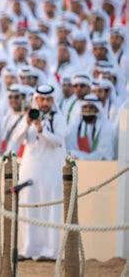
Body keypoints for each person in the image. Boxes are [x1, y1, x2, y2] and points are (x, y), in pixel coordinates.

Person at [13, 84, 67, 261]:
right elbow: (18, 139)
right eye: (41, 99)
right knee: (28, 207)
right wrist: (28, 124)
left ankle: (51, 252)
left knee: (51, 208)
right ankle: (29, 249)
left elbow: (58, 141)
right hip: (30, 169)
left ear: (52, 100)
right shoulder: (29, 116)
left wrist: (41, 129)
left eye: (48, 99)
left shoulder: (58, 117)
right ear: (35, 100)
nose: (44, 103)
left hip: (51, 169)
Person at [66, 94, 115, 161]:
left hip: (99, 166)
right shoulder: (74, 124)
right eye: (85, 107)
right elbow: (69, 149)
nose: (87, 110)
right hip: (78, 165)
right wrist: (85, 157)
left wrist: (83, 157)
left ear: (97, 110)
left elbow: (104, 154)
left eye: (91, 107)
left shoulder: (105, 126)